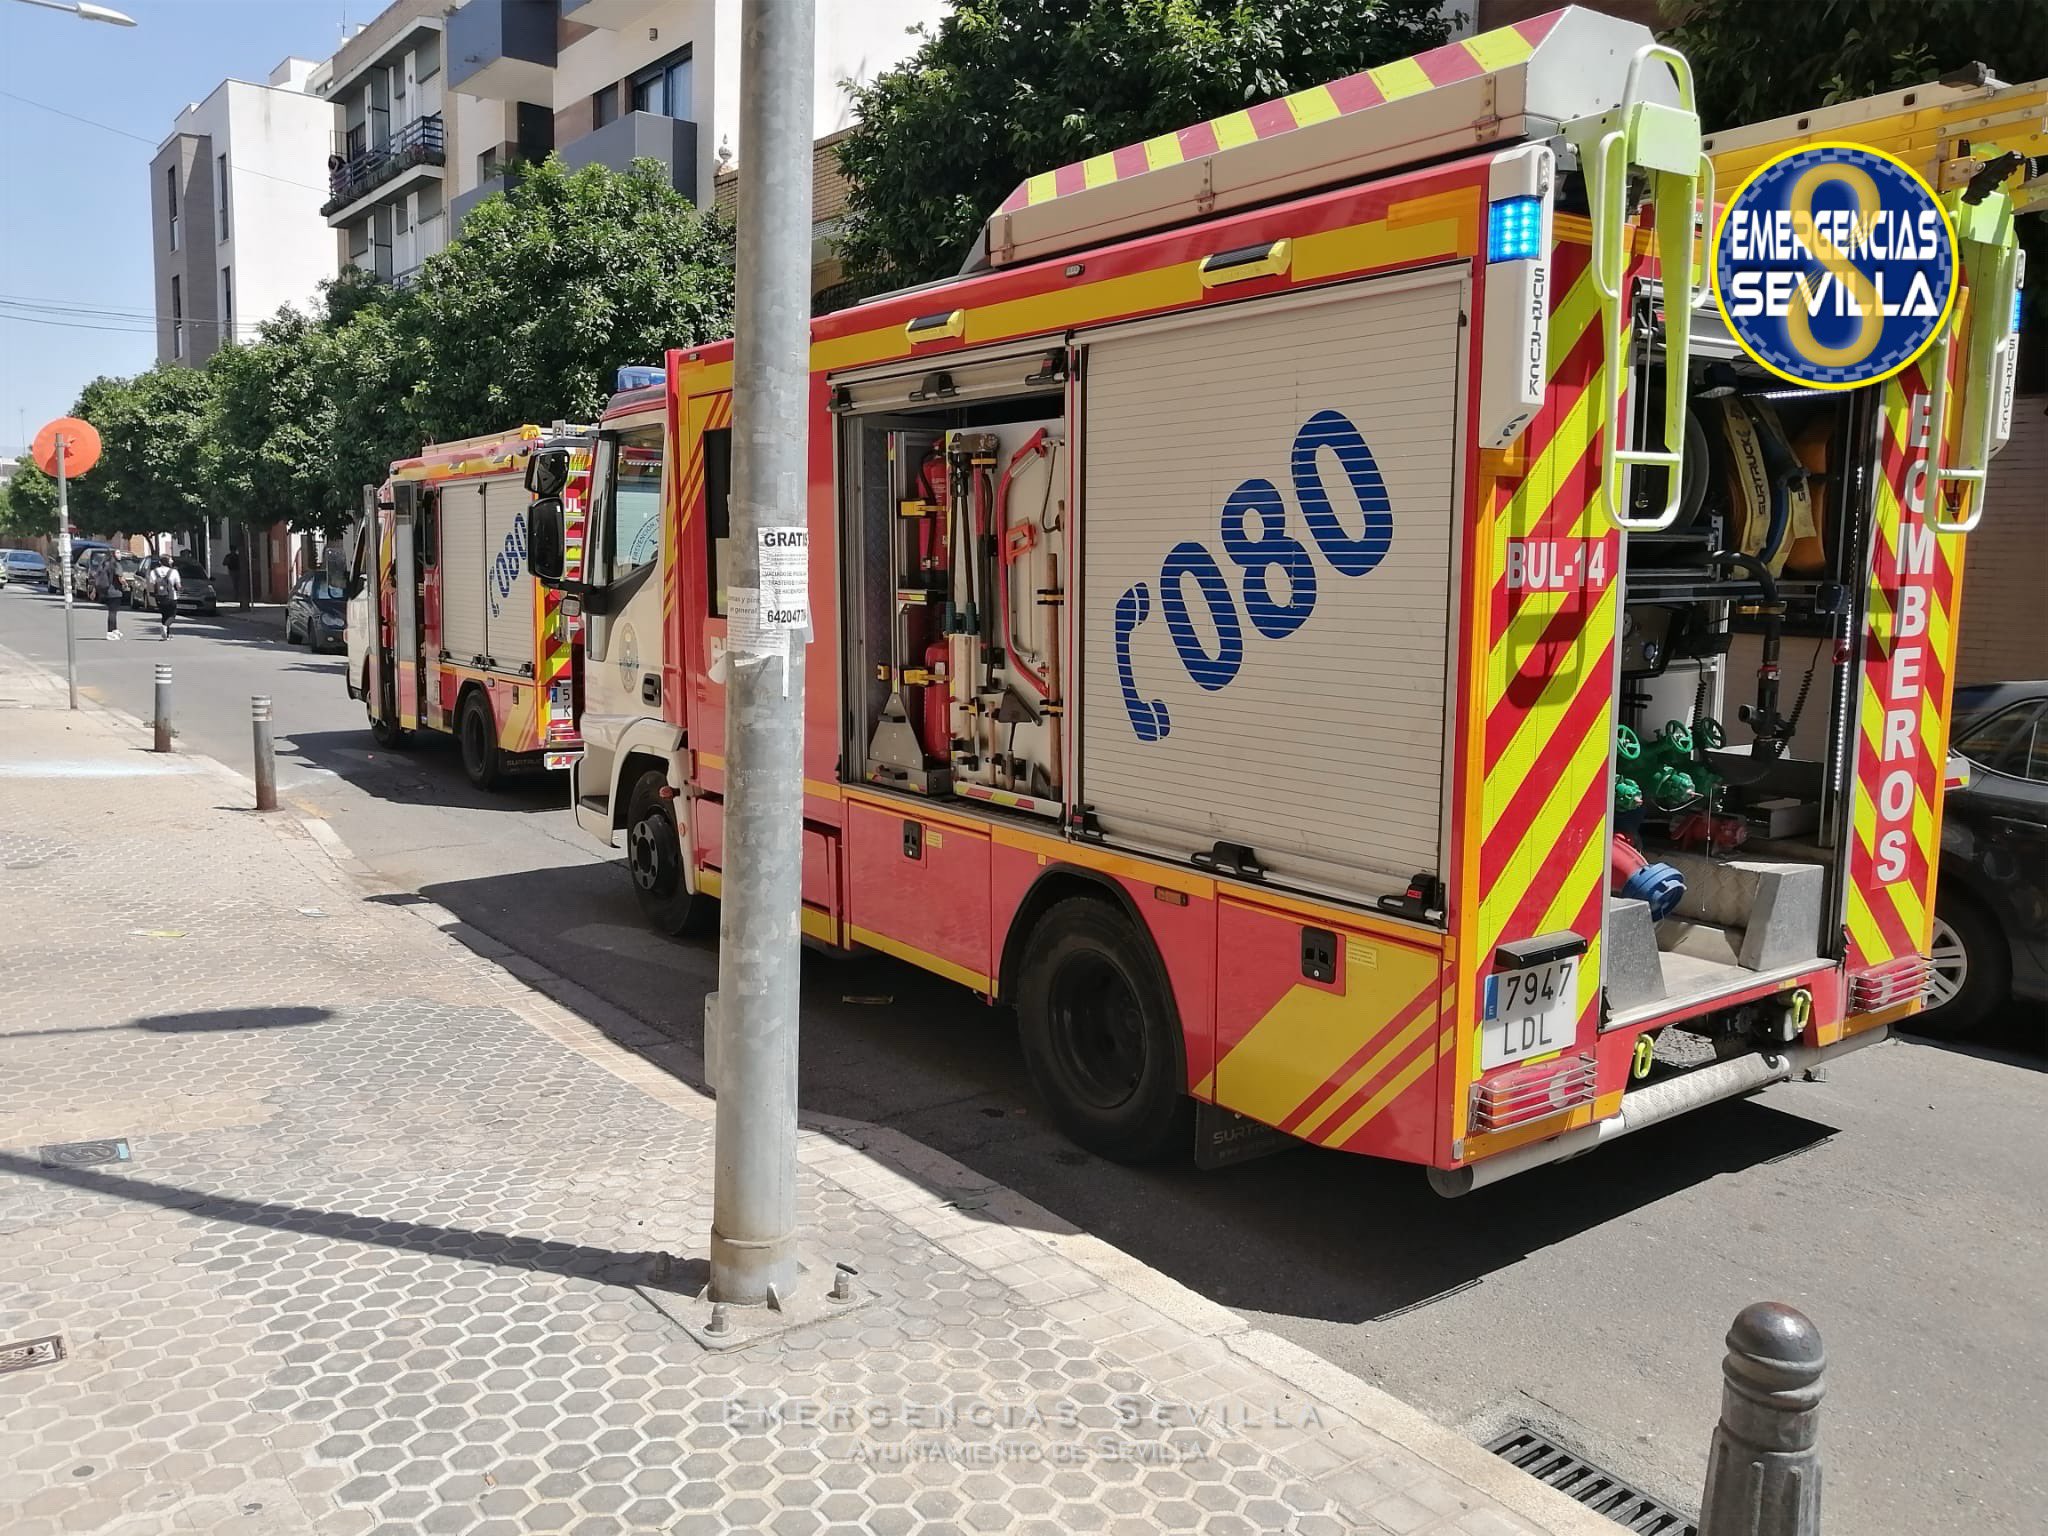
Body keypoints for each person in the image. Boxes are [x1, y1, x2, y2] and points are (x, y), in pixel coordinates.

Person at [152, 557, 181, 640]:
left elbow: (151, 584)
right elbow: (178, 586)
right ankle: (165, 626)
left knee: (164, 615)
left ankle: (166, 635)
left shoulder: (154, 572)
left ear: (160, 562)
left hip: (159, 597)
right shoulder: (174, 571)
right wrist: (180, 591)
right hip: (171, 597)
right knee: (172, 615)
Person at [101, 558, 124, 640]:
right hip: (115, 591)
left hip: (107, 590)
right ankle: (110, 632)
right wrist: (125, 584)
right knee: (113, 612)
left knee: (112, 611)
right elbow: (120, 578)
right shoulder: (116, 565)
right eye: (117, 553)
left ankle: (114, 630)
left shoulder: (105, 565)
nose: (120, 554)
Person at [223, 544, 243, 608]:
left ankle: (236, 596)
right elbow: (224, 563)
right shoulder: (229, 556)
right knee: (234, 584)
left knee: (237, 584)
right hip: (232, 571)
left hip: (237, 571)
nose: (233, 551)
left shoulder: (237, 556)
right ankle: (235, 596)